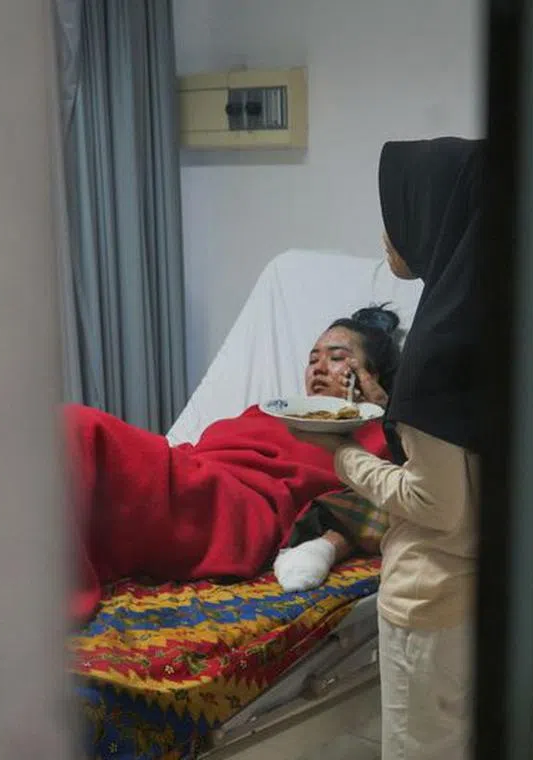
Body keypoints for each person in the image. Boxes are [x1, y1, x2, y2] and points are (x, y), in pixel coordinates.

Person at [293, 137, 483, 760]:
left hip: (430, 599)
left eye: (394, 216)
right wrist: (387, 405)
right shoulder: (492, 325)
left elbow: (435, 502)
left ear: (433, 215)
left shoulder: (433, 351)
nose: (386, 237)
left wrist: (341, 450)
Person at [64, 305, 400, 623]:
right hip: (187, 473)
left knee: (78, 428)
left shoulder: (372, 438)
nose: (319, 368)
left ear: (368, 375)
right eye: (313, 359)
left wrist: (380, 406)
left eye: (338, 358)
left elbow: (403, 488)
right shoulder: (270, 412)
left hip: (232, 508)